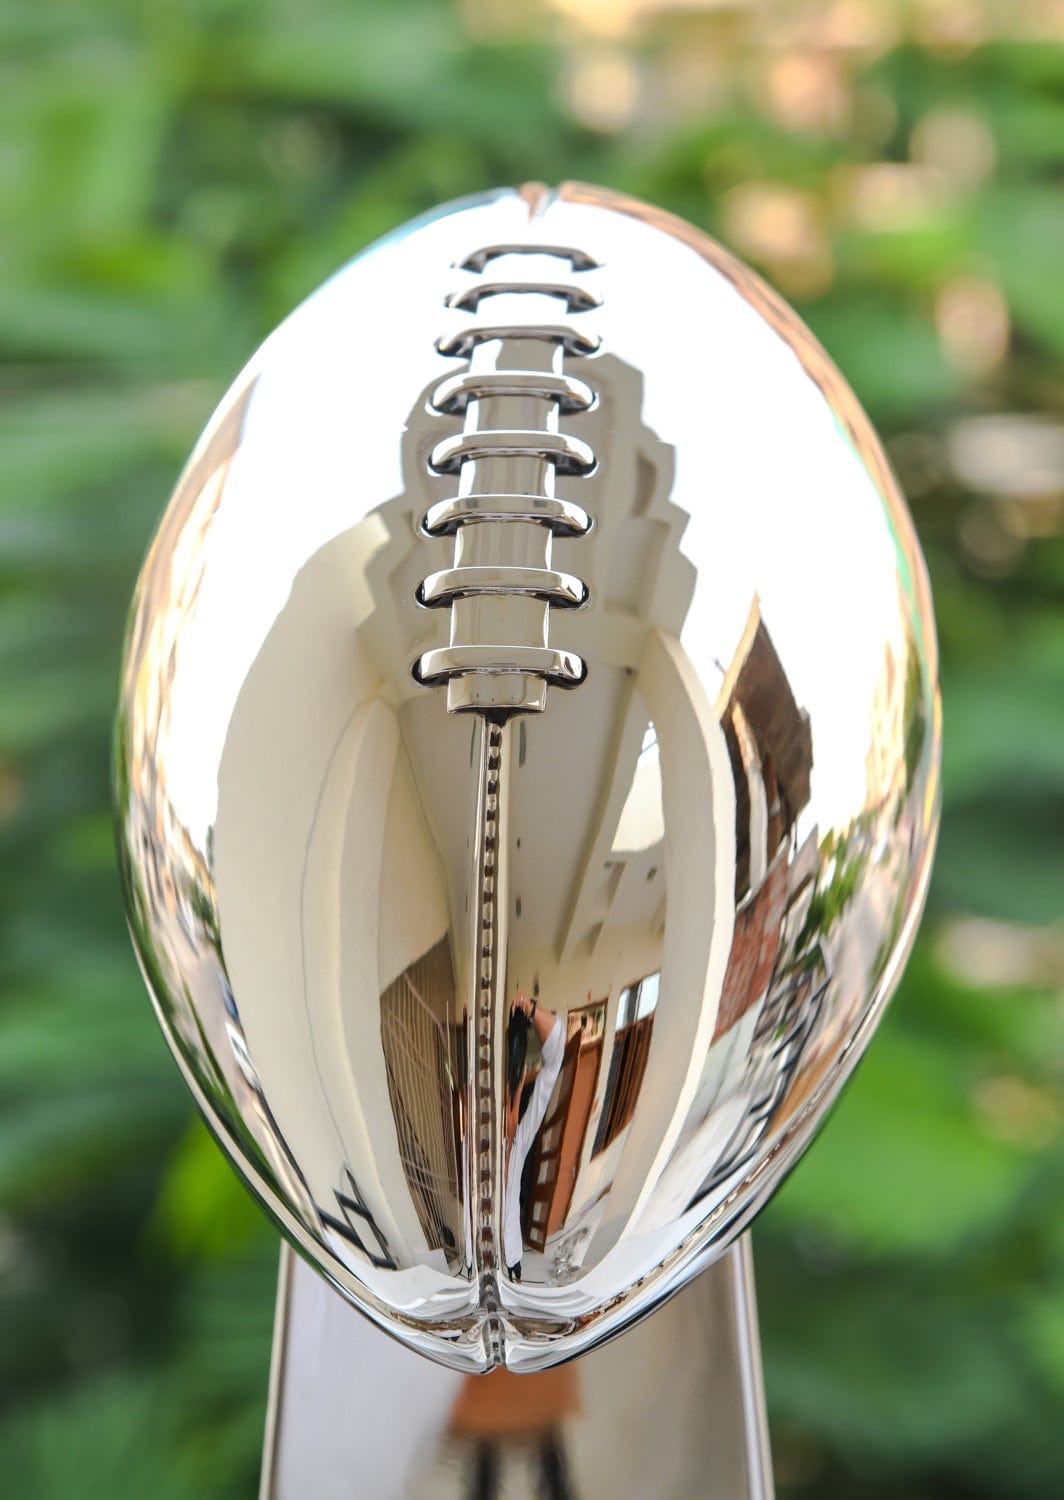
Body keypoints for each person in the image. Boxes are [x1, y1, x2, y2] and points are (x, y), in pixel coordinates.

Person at [503, 987, 564, 1281]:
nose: (509, 1113)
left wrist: (531, 1010)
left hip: (512, 1263)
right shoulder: (472, 1148)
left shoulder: (519, 1140)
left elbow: (555, 1057)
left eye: (512, 1103)